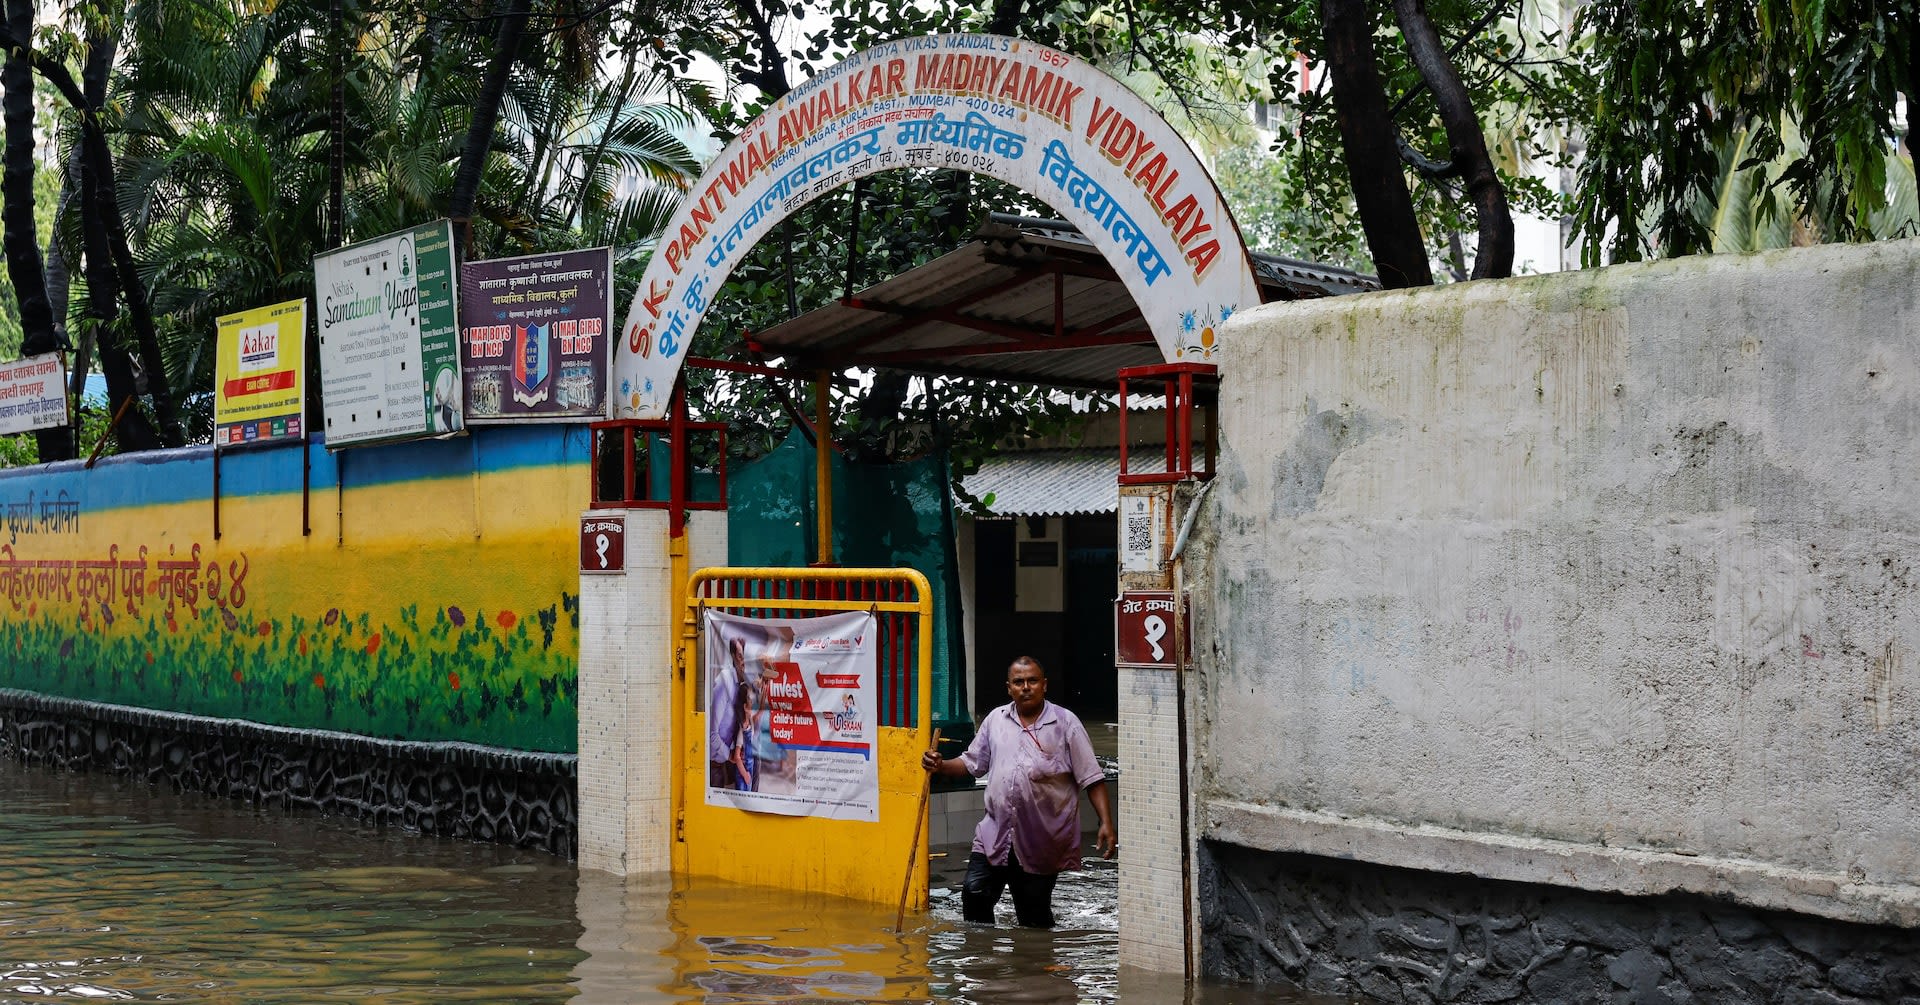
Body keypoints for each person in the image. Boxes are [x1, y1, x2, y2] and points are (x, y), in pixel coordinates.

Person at [922, 656, 1115, 929]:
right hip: (995, 833)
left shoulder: (1065, 723)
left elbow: (1092, 778)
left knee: (1033, 917)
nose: (1026, 687)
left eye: (1032, 681)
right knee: (974, 894)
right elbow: (970, 763)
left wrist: (1105, 823)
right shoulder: (995, 720)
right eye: (1019, 682)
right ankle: (983, 962)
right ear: (1009, 688)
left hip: (1042, 838)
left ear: (1044, 685)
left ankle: (1035, 967)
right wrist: (941, 764)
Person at [708, 637, 749, 788]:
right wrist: (729, 755)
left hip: (728, 765)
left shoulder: (742, 683)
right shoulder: (724, 682)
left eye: (746, 656)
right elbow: (711, 732)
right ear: (732, 655)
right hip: (715, 765)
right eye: (740, 656)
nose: (744, 661)